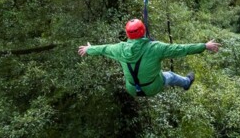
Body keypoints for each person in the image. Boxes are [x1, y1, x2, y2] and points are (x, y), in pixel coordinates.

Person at [78, 19, 220, 97]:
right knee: (169, 75)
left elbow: (104, 49)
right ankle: (186, 83)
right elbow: (181, 49)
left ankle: (184, 82)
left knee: (138, 70)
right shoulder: (155, 48)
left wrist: (89, 49)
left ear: (127, 34)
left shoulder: (119, 49)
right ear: (143, 31)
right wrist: (204, 46)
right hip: (152, 87)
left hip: (132, 89)